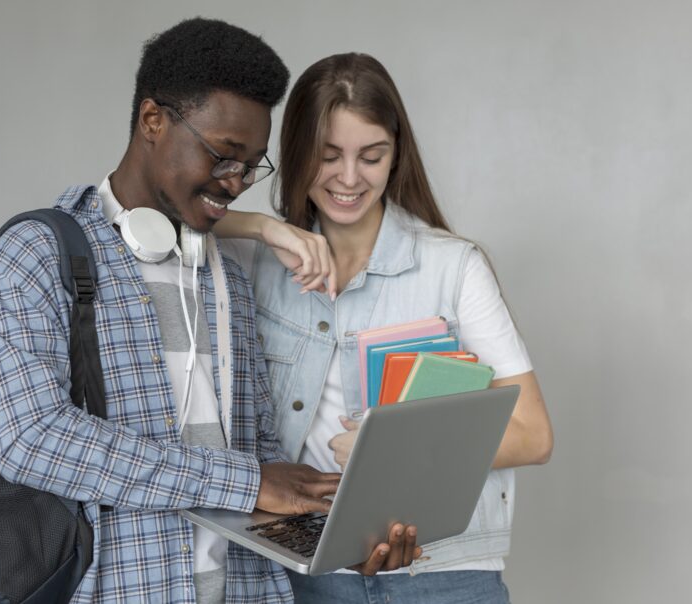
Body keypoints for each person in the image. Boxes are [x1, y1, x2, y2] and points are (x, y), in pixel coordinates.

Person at [0, 21, 416, 604]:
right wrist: (247, 481)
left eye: (253, 164)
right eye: (224, 155)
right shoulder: (34, 255)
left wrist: (335, 531)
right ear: (153, 121)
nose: (236, 182)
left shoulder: (224, 270)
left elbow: (260, 447)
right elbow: (29, 439)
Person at [216, 53, 554, 603]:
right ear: (297, 154)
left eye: (371, 157)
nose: (349, 179)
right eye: (329, 157)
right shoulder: (252, 259)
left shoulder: (454, 266)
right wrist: (261, 226)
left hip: (443, 573)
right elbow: (153, 214)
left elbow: (534, 435)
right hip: (301, 575)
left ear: (396, 156)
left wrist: (391, 451)